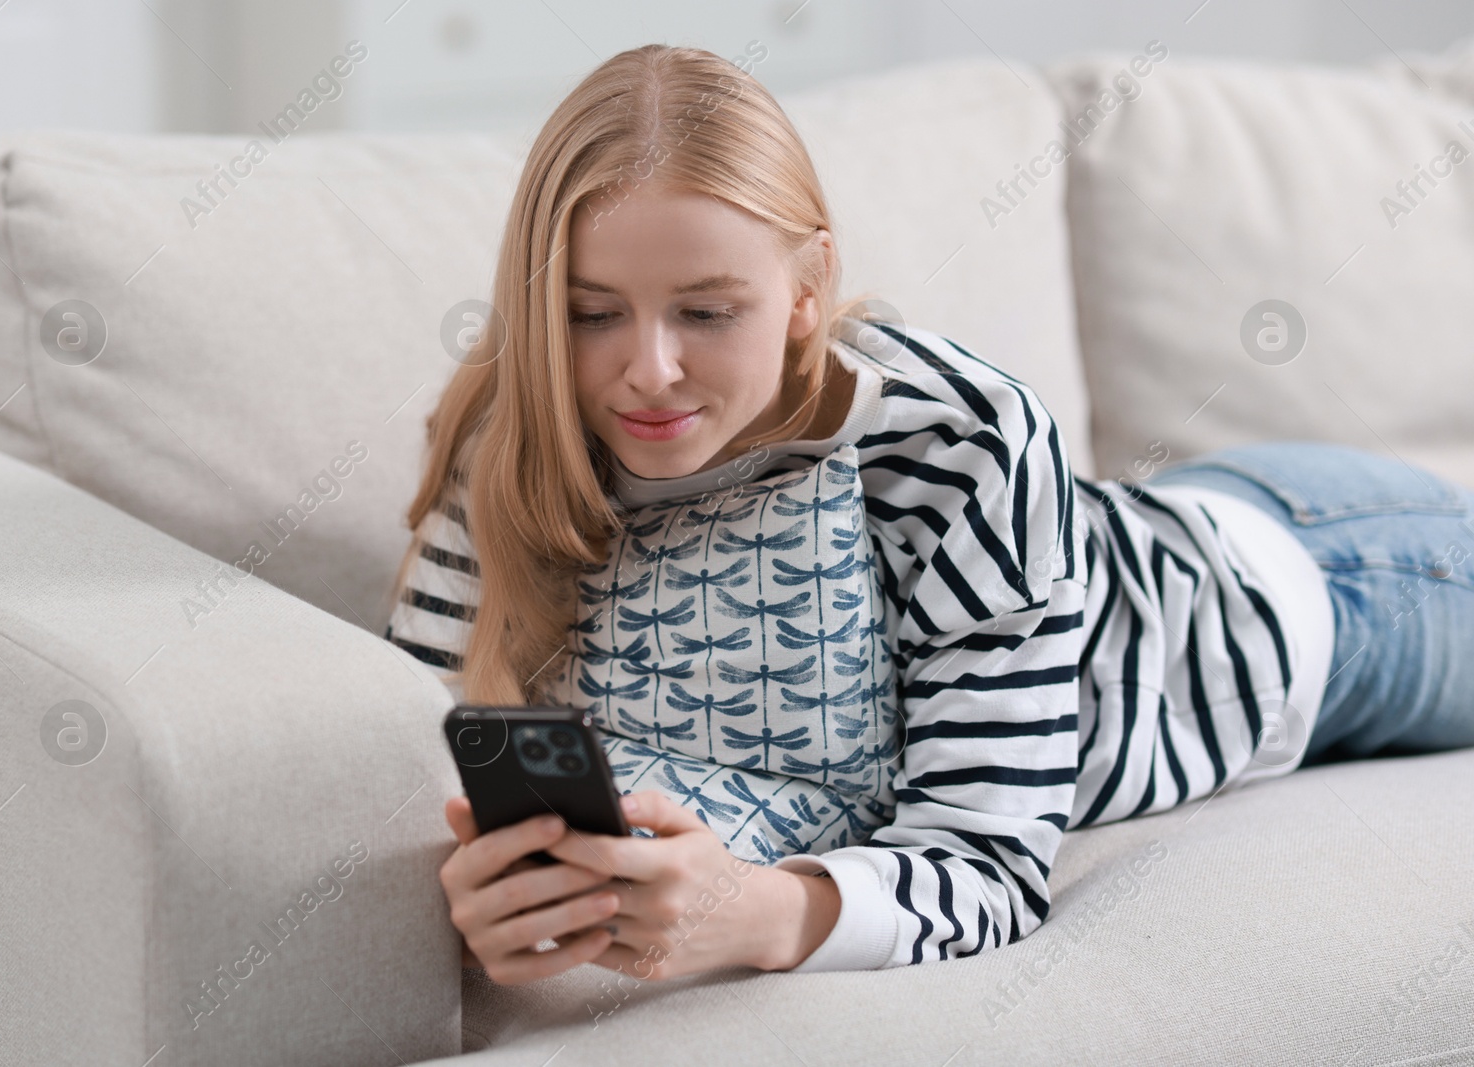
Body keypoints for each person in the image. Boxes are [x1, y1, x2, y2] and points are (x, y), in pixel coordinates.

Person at [383, 43, 1474, 985]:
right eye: (590, 314)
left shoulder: (958, 443)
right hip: (1188, 515)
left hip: (1330, 587)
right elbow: (413, 749)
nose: (649, 371)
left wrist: (749, 914)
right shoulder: (509, 442)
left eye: (708, 311)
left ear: (808, 290)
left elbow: (990, 864)